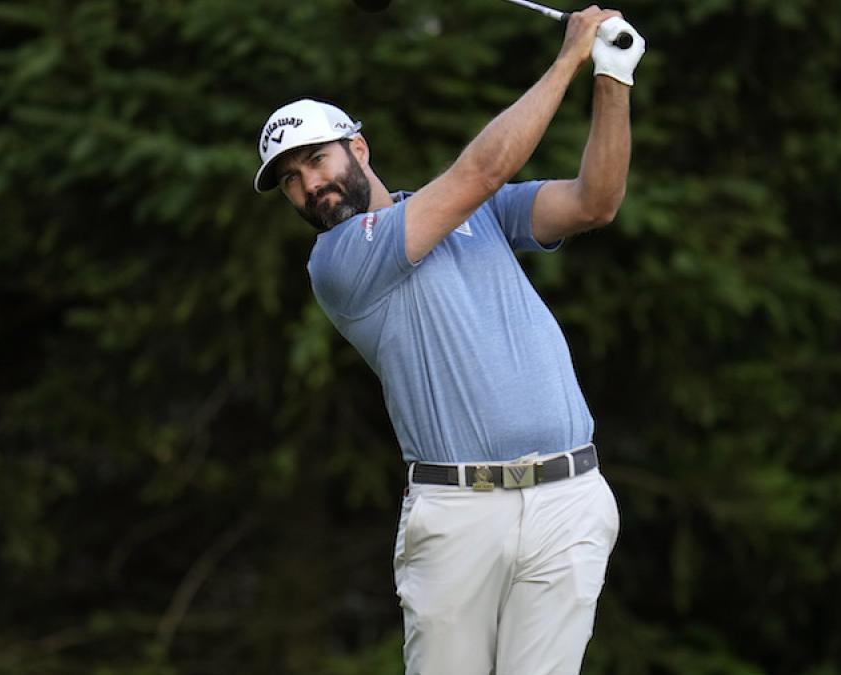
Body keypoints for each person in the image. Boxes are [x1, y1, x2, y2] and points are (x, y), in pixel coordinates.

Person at [253, 6, 645, 674]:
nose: (310, 186)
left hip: (568, 499)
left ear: (358, 148)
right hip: (459, 514)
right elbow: (481, 172)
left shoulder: (476, 216)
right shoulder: (340, 261)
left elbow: (594, 202)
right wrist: (569, 55)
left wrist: (611, 76)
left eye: (315, 160)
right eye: (290, 179)